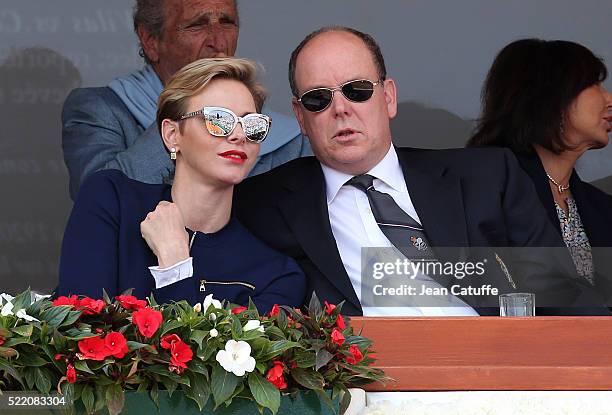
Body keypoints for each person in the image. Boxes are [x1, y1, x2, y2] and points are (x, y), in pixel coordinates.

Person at [234, 26, 608, 316]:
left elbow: (564, 295)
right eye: (318, 99)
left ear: (389, 97)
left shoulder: (488, 178)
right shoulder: (263, 204)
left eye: (358, 90)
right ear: (300, 117)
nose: (341, 109)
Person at [59, 58, 306, 314]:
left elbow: (208, 355)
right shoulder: (111, 200)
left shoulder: (278, 275)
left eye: (251, 124)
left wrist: (175, 267)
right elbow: (79, 336)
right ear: (172, 135)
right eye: (219, 119)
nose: (238, 134)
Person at [62, 0, 311, 201]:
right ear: (150, 40)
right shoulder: (100, 109)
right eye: (196, 25)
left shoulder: (289, 138)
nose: (218, 41)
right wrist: (185, 114)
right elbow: (96, 202)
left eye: (227, 22)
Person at [468, 38, 612, 300]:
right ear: (552, 96)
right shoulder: (484, 188)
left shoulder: (602, 206)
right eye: (594, 84)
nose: (609, 99)